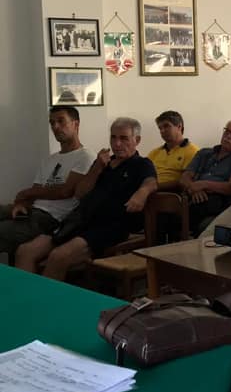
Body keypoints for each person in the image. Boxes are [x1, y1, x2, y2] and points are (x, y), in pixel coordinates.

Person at [15, 118, 157, 280]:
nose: (117, 144)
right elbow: (80, 193)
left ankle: (45, 304)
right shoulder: (103, 164)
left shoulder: (141, 164)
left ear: (136, 140)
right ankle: (25, 301)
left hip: (110, 226)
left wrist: (142, 193)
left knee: (58, 256)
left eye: (123, 138)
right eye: (113, 137)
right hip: (80, 221)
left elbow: (151, 182)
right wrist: (96, 168)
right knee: (25, 251)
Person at [0, 106, 95, 260]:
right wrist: (21, 202)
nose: (55, 127)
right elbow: (35, 191)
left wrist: (26, 193)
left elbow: (65, 191)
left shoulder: (86, 156)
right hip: (32, 211)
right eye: (52, 123)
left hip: (51, 219)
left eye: (61, 121)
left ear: (76, 124)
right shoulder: (49, 159)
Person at [179, 120, 231, 235]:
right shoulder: (204, 153)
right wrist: (194, 188)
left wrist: (204, 184)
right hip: (193, 196)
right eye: (227, 132)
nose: (228, 137)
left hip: (219, 201)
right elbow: (185, 177)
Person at [147, 111, 199, 190]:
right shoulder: (155, 152)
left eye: (166, 126)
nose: (162, 131)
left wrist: (153, 187)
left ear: (179, 127)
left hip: (171, 194)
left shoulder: (192, 151)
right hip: (148, 191)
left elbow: (185, 181)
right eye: (160, 128)